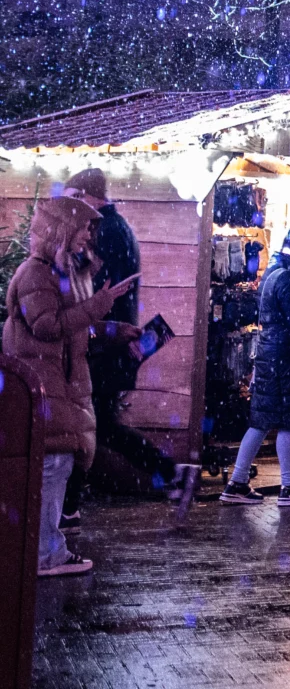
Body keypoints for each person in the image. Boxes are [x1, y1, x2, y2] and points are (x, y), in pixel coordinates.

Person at [5, 196, 136, 576]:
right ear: (61, 230)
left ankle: (43, 549)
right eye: (82, 229)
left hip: (57, 386)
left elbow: (74, 328)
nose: (87, 237)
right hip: (46, 387)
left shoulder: (57, 273)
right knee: (53, 465)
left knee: (57, 465)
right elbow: (47, 326)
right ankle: (45, 554)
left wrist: (113, 331)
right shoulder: (36, 274)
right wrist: (100, 304)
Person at [60, 169, 185, 513]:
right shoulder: (115, 227)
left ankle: (70, 504)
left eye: (74, 198)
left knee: (92, 425)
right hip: (112, 344)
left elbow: (99, 289)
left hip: (107, 346)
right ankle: (167, 472)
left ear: (87, 196)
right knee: (97, 424)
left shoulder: (106, 230)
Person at [222, 223, 290, 507]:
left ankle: (238, 482)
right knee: (287, 422)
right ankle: (289, 486)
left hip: (272, 357)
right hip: (285, 360)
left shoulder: (274, 272)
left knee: (262, 421)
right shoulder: (286, 277)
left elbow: (284, 309)